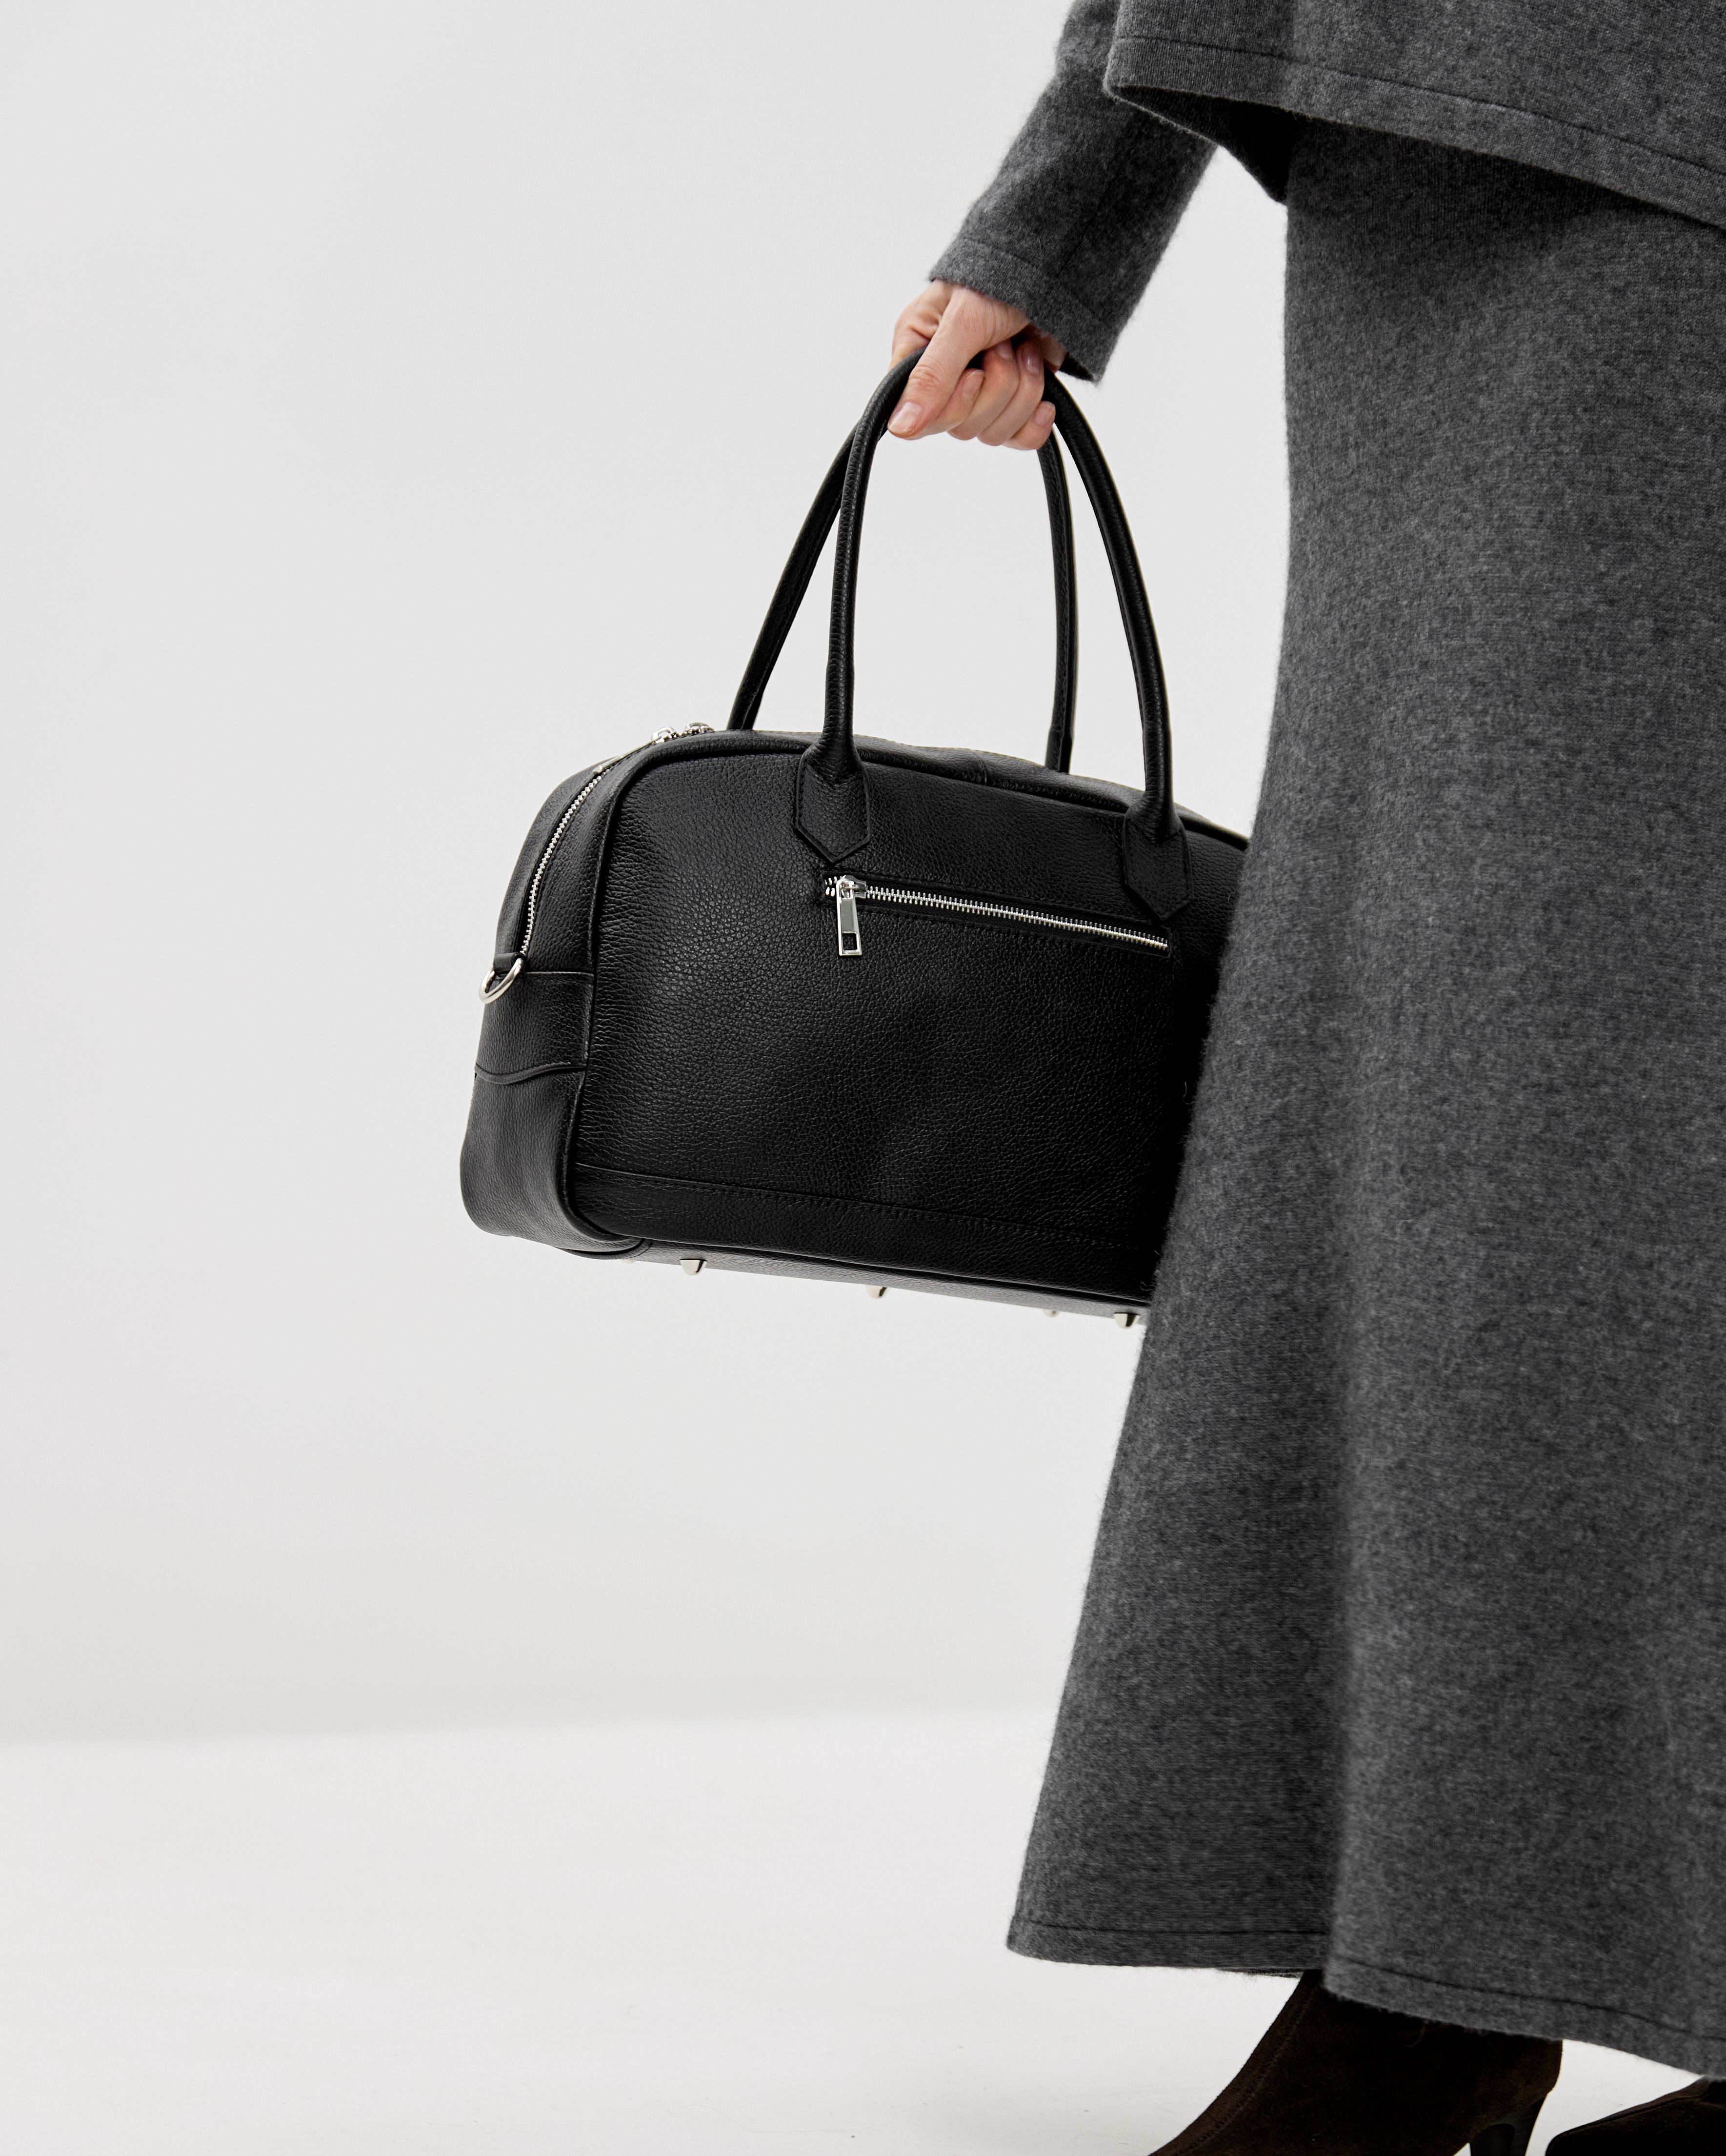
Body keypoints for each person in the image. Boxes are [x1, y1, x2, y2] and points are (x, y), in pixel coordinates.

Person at [885, 5, 1726, 2151]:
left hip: (1632, 168)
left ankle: (1434, 1993)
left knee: (1554, 1100)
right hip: (1444, 156)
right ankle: (1437, 1974)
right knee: (1461, 1090)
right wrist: (1062, 207)